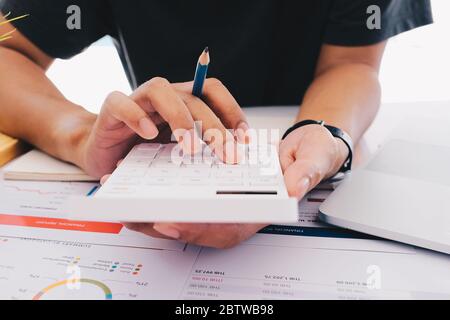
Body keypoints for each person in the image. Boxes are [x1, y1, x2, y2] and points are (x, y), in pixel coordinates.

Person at [0, 0, 432, 248]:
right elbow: (7, 49)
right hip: (161, 150)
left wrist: (328, 131)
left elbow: (354, 61)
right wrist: (80, 135)